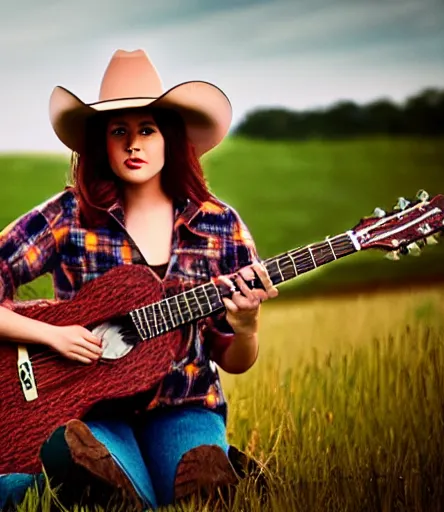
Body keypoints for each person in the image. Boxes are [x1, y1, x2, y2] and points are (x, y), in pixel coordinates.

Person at [0, 48, 278, 510]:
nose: (134, 144)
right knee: (117, 490)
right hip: (88, 408)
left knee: (198, 477)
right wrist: (52, 334)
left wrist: (247, 327)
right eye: (119, 132)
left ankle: (219, 472)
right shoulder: (69, 217)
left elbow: (234, 360)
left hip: (185, 405)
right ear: (101, 143)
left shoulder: (219, 225)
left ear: (169, 137)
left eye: (147, 130)